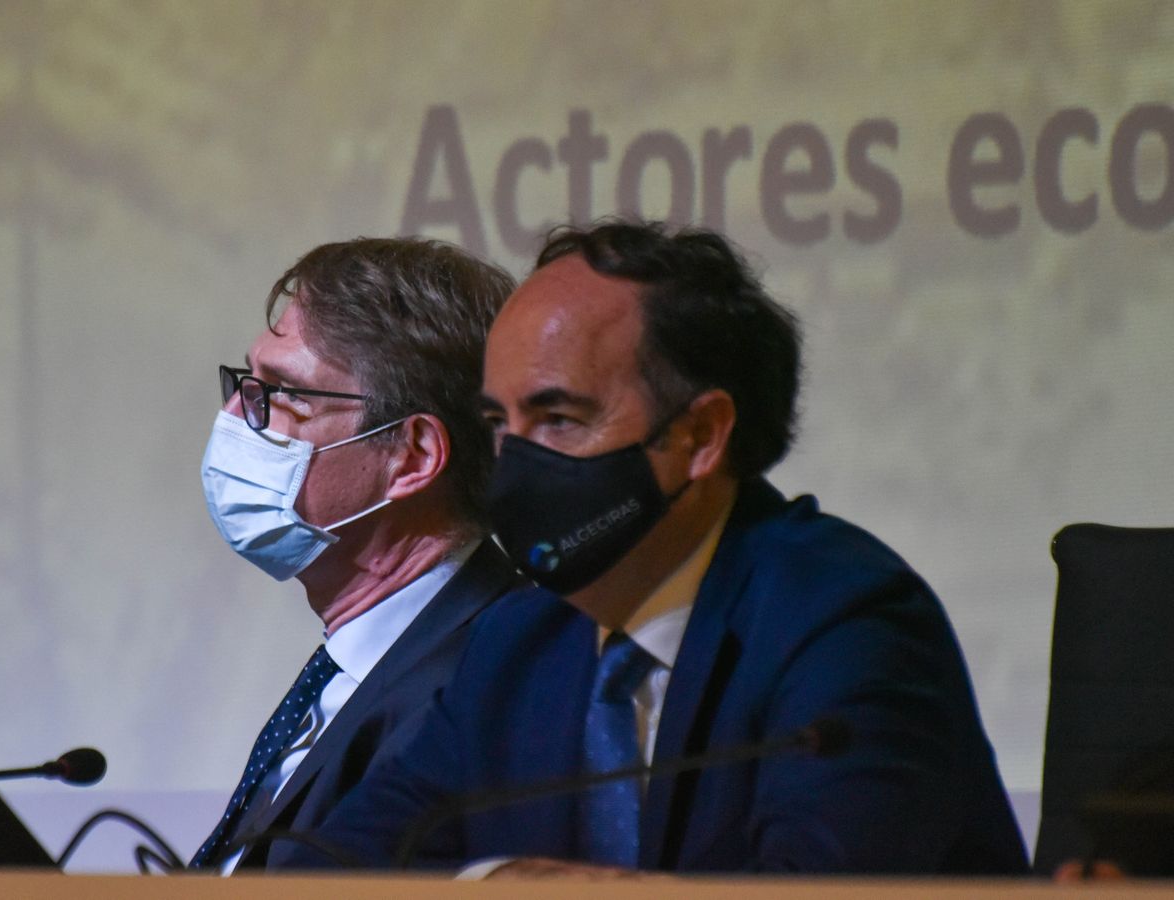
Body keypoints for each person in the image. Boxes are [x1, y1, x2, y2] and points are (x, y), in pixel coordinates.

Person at [281, 220, 1029, 875]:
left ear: (701, 436)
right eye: (501, 425)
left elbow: (819, 890)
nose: (516, 463)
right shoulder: (518, 645)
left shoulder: (843, 619)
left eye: (559, 420)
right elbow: (340, 868)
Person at [189, 237, 523, 871]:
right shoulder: (353, 663)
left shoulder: (494, 680)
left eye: (285, 393)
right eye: (247, 381)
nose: (237, 416)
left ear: (413, 457)